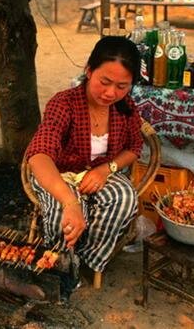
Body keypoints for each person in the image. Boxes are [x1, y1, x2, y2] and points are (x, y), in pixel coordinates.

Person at [25, 36, 143, 276]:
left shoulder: (126, 107)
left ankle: (86, 260)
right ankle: (59, 264)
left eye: (122, 86)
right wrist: (70, 201)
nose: (111, 93)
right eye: (105, 82)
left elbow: (134, 147)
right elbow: (39, 156)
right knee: (61, 213)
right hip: (58, 174)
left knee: (123, 198)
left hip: (99, 171)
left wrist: (106, 169)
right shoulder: (64, 103)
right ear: (89, 71)